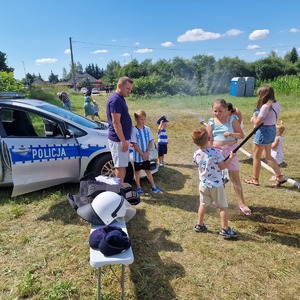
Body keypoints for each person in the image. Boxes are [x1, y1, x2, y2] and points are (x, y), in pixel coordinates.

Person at [206, 98, 252, 215]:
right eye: (215, 111)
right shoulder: (211, 122)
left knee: (235, 177)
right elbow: (208, 139)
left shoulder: (232, 120)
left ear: (226, 110)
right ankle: (216, 200)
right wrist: (209, 152)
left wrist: (231, 134)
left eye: (220, 111)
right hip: (216, 152)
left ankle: (242, 203)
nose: (217, 114)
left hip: (231, 151)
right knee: (217, 178)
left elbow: (241, 135)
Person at [192, 128, 238, 238]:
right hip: (216, 185)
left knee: (203, 204)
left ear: (195, 142)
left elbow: (198, 166)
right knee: (223, 207)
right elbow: (222, 167)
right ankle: (225, 229)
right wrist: (231, 158)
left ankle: (199, 224)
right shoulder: (216, 152)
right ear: (209, 138)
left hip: (203, 185)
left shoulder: (196, 154)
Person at [245, 85, 287, 187]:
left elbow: (258, 122)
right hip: (272, 129)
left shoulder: (265, 106)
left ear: (263, 94)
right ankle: (279, 176)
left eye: (259, 94)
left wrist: (253, 118)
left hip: (264, 131)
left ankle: (255, 179)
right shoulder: (276, 104)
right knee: (267, 156)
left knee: (256, 156)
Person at [106, 76, 133, 183]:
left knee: (122, 166)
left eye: (130, 89)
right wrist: (122, 141)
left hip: (122, 139)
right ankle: (118, 191)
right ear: (119, 86)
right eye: (127, 89)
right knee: (120, 167)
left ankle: (120, 188)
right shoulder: (116, 100)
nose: (129, 91)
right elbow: (116, 122)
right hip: (118, 140)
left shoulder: (120, 98)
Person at [131, 109, 163, 195]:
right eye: (141, 119)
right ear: (136, 119)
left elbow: (150, 142)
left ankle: (153, 186)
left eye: (144, 119)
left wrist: (147, 152)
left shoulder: (147, 129)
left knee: (148, 170)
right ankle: (138, 187)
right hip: (138, 156)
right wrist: (141, 153)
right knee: (137, 172)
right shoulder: (134, 130)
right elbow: (134, 143)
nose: (143, 121)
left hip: (146, 155)